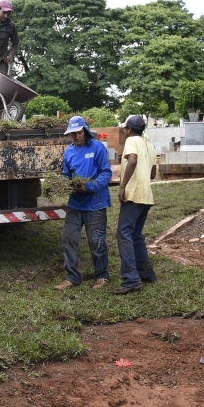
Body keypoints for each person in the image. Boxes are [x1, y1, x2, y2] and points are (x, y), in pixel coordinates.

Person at [55, 116, 113, 291]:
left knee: (96, 241)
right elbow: (66, 174)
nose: (76, 136)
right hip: (75, 203)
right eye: (72, 134)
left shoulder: (97, 148)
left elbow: (106, 172)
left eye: (79, 133)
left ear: (85, 131)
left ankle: (102, 275)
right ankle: (72, 276)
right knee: (69, 239)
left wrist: (89, 186)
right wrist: (65, 184)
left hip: (96, 202)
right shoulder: (69, 151)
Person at [114, 115, 158, 295]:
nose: (124, 132)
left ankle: (131, 279)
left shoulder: (131, 140)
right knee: (136, 235)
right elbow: (153, 174)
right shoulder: (150, 145)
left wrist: (123, 186)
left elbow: (132, 160)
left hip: (133, 194)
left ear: (129, 129)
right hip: (146, 196)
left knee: (123, 234)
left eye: (125, 129)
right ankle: (146, 273)